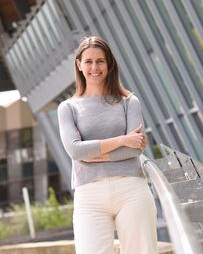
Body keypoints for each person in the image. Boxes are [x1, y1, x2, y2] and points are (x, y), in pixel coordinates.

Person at [57, 36, 157, 254]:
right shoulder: (68, 108)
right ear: (79, 65)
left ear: (109, 64)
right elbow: (75, 150)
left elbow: (134, 148)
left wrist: (93, 154)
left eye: (100, 61)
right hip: (89, 195)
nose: (95, 67)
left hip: (131, 189)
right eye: (89, 61)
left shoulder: (129, 102)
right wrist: (121, 140)